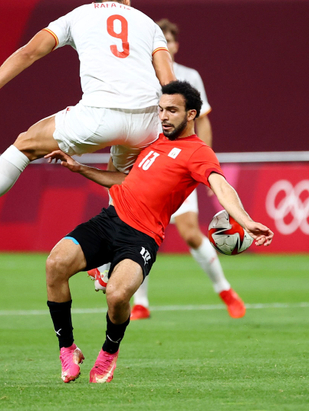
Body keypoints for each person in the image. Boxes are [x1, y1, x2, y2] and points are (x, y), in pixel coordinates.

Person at [43, 80, 273, 383]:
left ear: (191, 115)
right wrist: (79, 167)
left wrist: (244, 219)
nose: (163, 116)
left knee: (117, 294)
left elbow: (220, 185)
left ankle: (109, 352)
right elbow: (122, 181)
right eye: (161, 109)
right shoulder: (153, 140)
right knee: (55, 264)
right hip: (110, 220)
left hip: (142, 237)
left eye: (172, 110)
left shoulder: (198, 153)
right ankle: (68, 348)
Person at [0, 0, 175, 247]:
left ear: (95, 1)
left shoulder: (78, 15)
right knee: (119, 178)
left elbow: (28, 53)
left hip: (99, 116)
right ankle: (106, 268)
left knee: (24, 144)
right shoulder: (149, 24)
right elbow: (168, 81)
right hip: (147, 120)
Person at [92, 19, 246, 321]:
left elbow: (203, 121)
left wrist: (204, 162)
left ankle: (225, 289)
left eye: (171, 40)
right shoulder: (140, 75)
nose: (167, 46)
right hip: (147, 165)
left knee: (189, 232)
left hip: (182, 165)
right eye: (162, 41)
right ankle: (141, 303)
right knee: (135, 231)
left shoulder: (189, 77)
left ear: (176, 45)